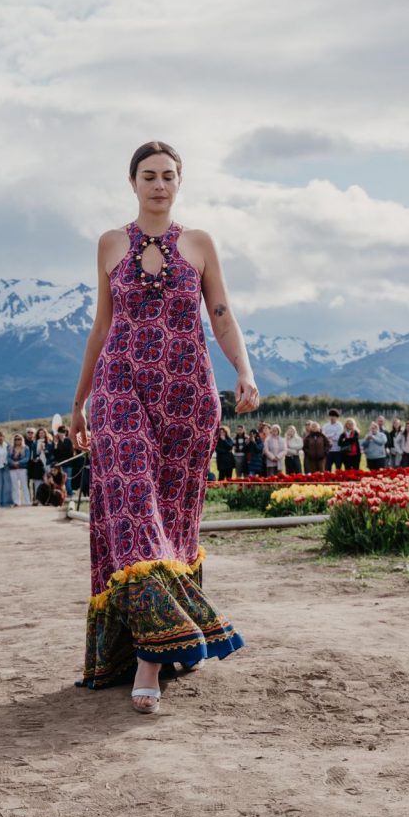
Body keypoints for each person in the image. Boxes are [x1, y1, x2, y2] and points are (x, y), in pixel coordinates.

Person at [69, 140, 255, 713]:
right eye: (148, 175)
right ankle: (150, 656)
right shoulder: (109, 244)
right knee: (131, 509)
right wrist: (79, 402)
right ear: (132, 183)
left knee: (172, 519)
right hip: (121, 390)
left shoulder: (199, 244)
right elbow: (101, 327)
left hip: (187, 398)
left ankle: (159, 649)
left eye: (169, 176)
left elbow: (220, 315)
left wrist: (244, 372)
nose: (159, 184)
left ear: (180, 183)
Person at [9, 434, 32, 506]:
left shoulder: (26, 448)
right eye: (16, 439)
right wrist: (13, 463)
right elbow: (8, 458)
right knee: (15, 486)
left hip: (22, 468)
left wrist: (18, 462)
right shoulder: (10, 448)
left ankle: (27, 501)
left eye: (19, 439)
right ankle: (16, 501)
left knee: (24, 485)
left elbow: (27, 458)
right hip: (12, 469)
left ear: (22, 440)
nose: (17, 441)